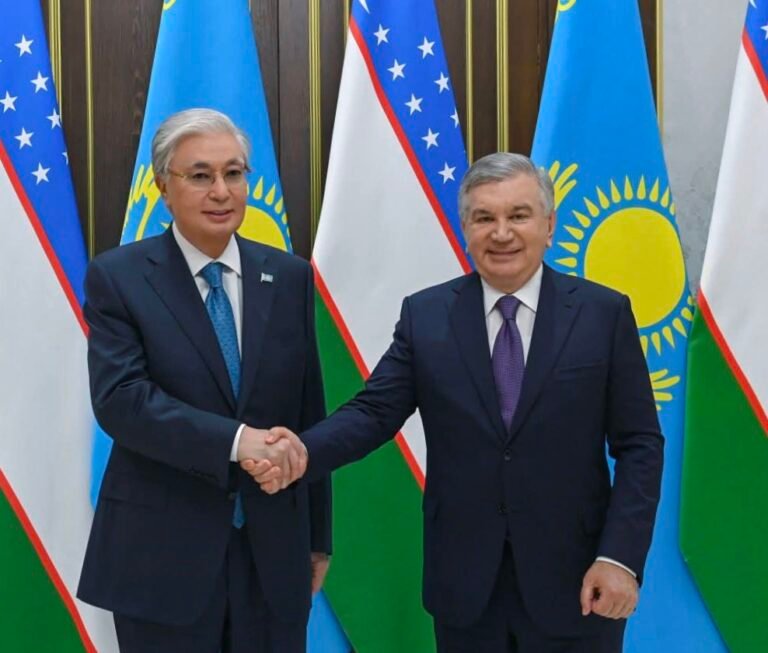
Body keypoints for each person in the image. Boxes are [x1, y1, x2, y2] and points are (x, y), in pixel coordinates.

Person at [248, 153, 664, 652]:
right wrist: (301, 452)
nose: (502, 233)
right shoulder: (427, 316)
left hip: (580, 584)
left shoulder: (603, 315)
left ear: (549, 225)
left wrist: (619, 559)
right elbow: (374, 413)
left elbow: (640, 445)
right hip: (466, 588)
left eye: (518, 215)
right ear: (465, 228)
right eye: (484, 218)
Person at [77, 108, 326, 653]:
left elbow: (308, 411)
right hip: (161, 556)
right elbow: (123, 401)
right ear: (163, 187)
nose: (221, 191)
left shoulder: (289, 276)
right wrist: (238, 442)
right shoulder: (119, 277)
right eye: (200, 175)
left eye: (233, 173)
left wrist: (317, 537)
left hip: (272, 553)